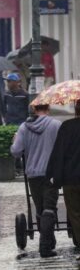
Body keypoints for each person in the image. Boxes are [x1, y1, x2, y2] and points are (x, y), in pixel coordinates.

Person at [11, 104, 61, 257]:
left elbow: (16, 151)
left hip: (33, 175)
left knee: (40, 209)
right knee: (49, 208)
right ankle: (45, 247)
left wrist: (15, 141)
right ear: (48, 108)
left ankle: (48, 242)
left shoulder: (24, 127)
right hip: (51, 173)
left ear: (34, 109)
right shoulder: (56, 125)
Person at [47, 100, 80, 259]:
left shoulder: (67, 127)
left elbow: (59, 155)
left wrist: (54, 178)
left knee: (75, 213)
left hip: (71, 179)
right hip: (71, 179)